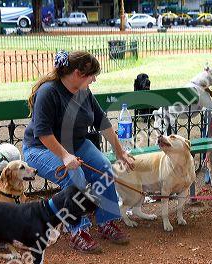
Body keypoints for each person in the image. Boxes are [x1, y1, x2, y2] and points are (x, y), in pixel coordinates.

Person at [23, 50, 135, 253]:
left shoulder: (83, 91)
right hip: (40, 149)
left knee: (104, 168)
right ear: (77, 73)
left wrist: (120, 153)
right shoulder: (48, 92)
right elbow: (43, 133)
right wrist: (65, 156)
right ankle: (78, 230)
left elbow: (102, 122)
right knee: (75, 174)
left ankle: (106, 221)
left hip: (76, 144)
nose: (93, 80)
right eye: (91, 75)